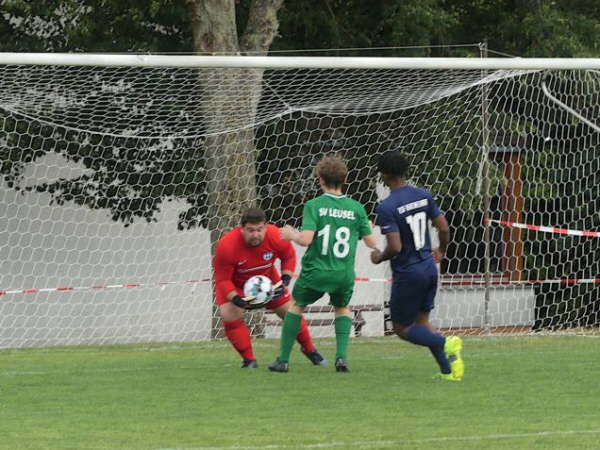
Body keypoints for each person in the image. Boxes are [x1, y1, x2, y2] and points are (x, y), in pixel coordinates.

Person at [269, 155, 378, 373]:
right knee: (341, 308)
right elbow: (372, 243)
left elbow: (306, 239)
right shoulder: (356, 208)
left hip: (316, 271)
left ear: (320, 179)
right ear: (345, 179)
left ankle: (283, 360)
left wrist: (292, 234)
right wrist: (368, 225)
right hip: (343, 273)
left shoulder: (314, 205)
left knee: (296, 307)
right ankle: (341, 358)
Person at [370, 150, 464, 381]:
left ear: (384, 174)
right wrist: (441, 250)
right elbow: (443, 228)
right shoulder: (423, 195)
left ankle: (447, 342)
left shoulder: (387, 207)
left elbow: (396, 246)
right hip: (429, 268)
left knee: (402, 328)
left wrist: (379, 257)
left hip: (408, 273)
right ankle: (448, 371)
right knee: (422, 322)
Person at [213, 207, 327, 369]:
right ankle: (249, 360)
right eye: (250, 230)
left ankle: (310, 350)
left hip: (269, 282)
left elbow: (288, 255)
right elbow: (222, 279)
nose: (255, 234)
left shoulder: (275, 235)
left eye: (259, 230)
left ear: (265, 227)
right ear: (242, 229)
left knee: (291, 312)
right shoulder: (227, 245)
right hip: (236, 285)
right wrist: (236, 299)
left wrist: (285, 279)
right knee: (229, 313)